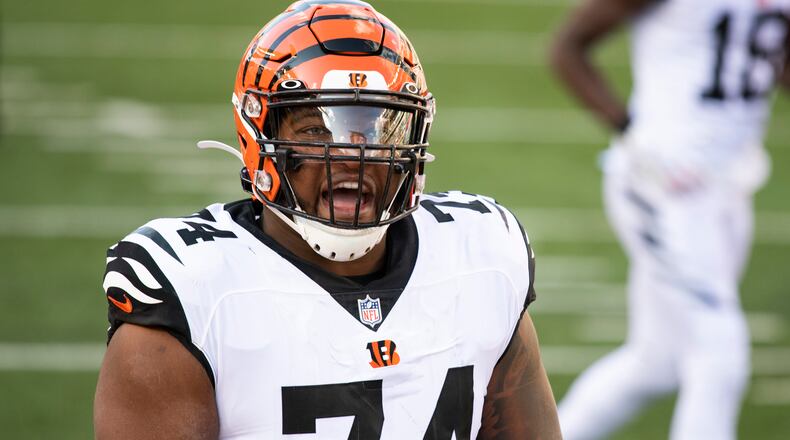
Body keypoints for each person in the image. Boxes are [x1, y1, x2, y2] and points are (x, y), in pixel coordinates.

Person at [93, 1, 562, 438]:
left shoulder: (481, 255)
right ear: (260, 133)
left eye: (379, 128)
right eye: (317, 129)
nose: (350, 154)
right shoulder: (193, 288)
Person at [550, 0, 790, 439]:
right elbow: (568, 48)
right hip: (664, 184)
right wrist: (630, 129)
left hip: (728, 185)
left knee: (656, 363)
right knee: (719, 349)